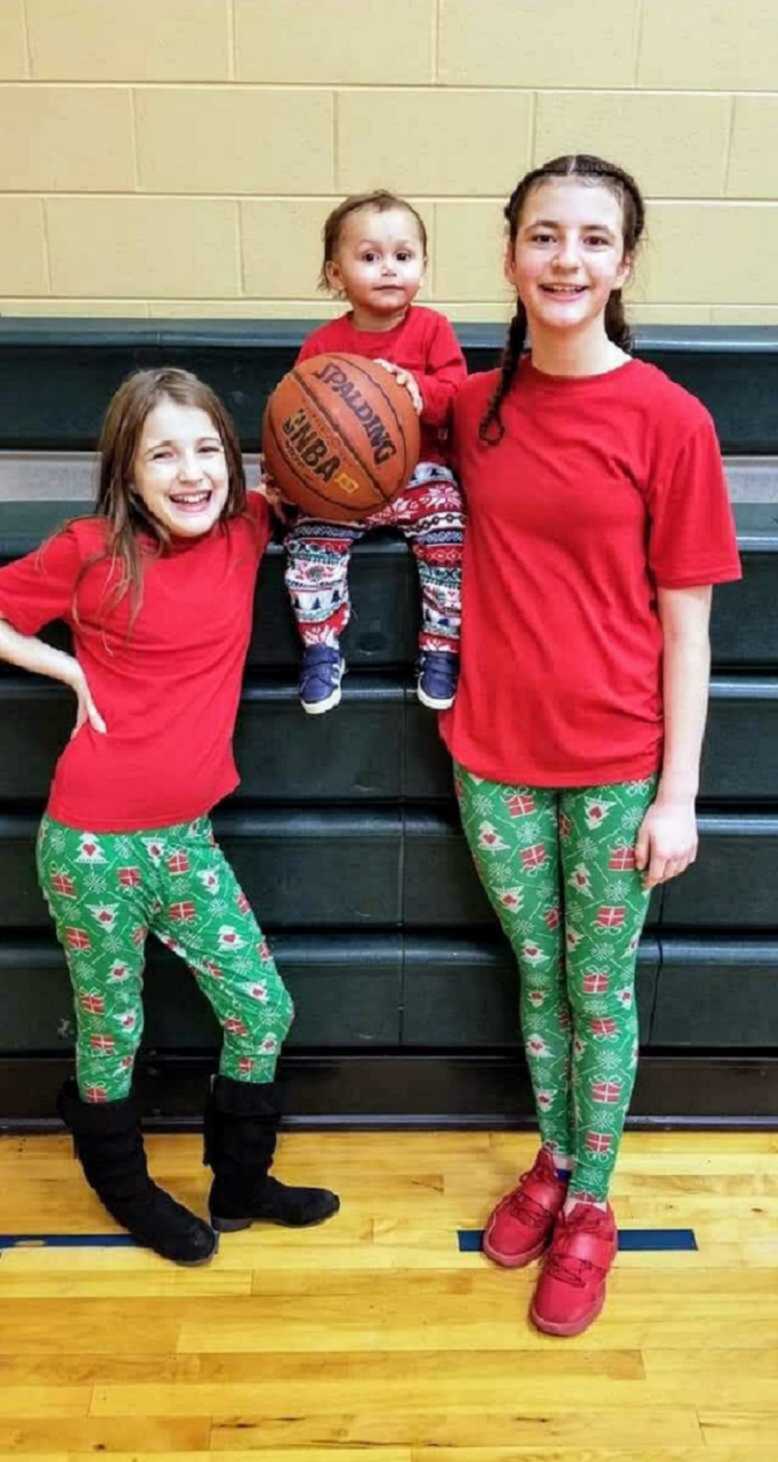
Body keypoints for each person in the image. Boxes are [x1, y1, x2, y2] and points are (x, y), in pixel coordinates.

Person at [439, 154, 741, 1336]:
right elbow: (348, 444)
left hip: (619, 765)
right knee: (538, 976)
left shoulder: (669, 418)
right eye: (544, 235)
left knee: (598, 989)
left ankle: (594, 1203)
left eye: (592, 240)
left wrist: (682, 793)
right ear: (510, 252)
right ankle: (553, 1161)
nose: (566, 260)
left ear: (623, 263)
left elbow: (691, 626)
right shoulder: (472, 406)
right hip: (492, 759)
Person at [0, 367, 339, 1264]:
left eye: (204, 450)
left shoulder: (246, 530)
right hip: (92, 848)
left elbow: (344, 469)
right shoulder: (87, 550)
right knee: (113, 1029)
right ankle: (126, 1191)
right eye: (162, 454)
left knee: (262, 1009)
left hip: (187, 842)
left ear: (230, 461)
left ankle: (239, 1183)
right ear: (127, 472)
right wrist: (68, 670)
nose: (189, 473)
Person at [281, 189, 467, 715]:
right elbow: (293, 424)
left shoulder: (433, 330)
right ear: (335, 274)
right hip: (343, 485)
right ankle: (321, 646)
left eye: (403, 257)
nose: (389, 269)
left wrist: (416, 390)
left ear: (423, 267)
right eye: (369, 257)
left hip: (421, 474)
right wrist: (282, 477)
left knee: (451, 541)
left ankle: (441, 648)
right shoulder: (322, 344)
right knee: (308, 546)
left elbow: (457, 398)